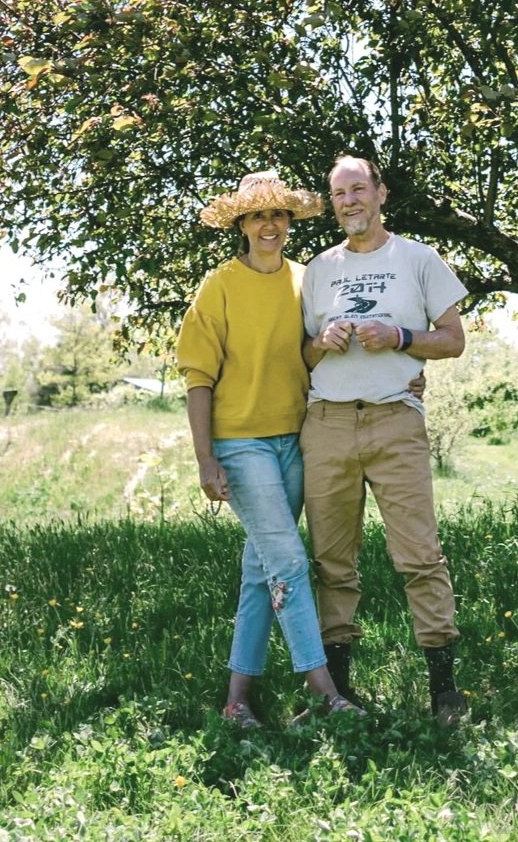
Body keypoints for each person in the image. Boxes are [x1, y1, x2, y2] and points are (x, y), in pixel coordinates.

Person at [178, 169, 361, 727]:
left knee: (261, 569)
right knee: (286, 560)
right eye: (257, 215)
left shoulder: (307, 281)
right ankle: (326, 693)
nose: (269, 224)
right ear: (242, 224)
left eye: (278, 214)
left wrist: (403, 372)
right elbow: (197, 377)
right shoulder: (220, 285)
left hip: (295, 439)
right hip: (239, 444)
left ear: (288, 222)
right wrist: (205, 458)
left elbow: (315, 352)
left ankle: (237, 702)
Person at [300, 153, 471, 723]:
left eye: (358, 189)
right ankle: (337, 694)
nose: (349, 201)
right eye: (339, 194)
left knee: (420, 555)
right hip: (326, 424)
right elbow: (299, 356)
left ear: (380, 193)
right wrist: (322, 340)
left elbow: (452, 340)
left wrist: (398, 335)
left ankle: (444, 691)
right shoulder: (318, 269)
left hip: (395, 420)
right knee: (331, 561)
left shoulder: (418, 259)